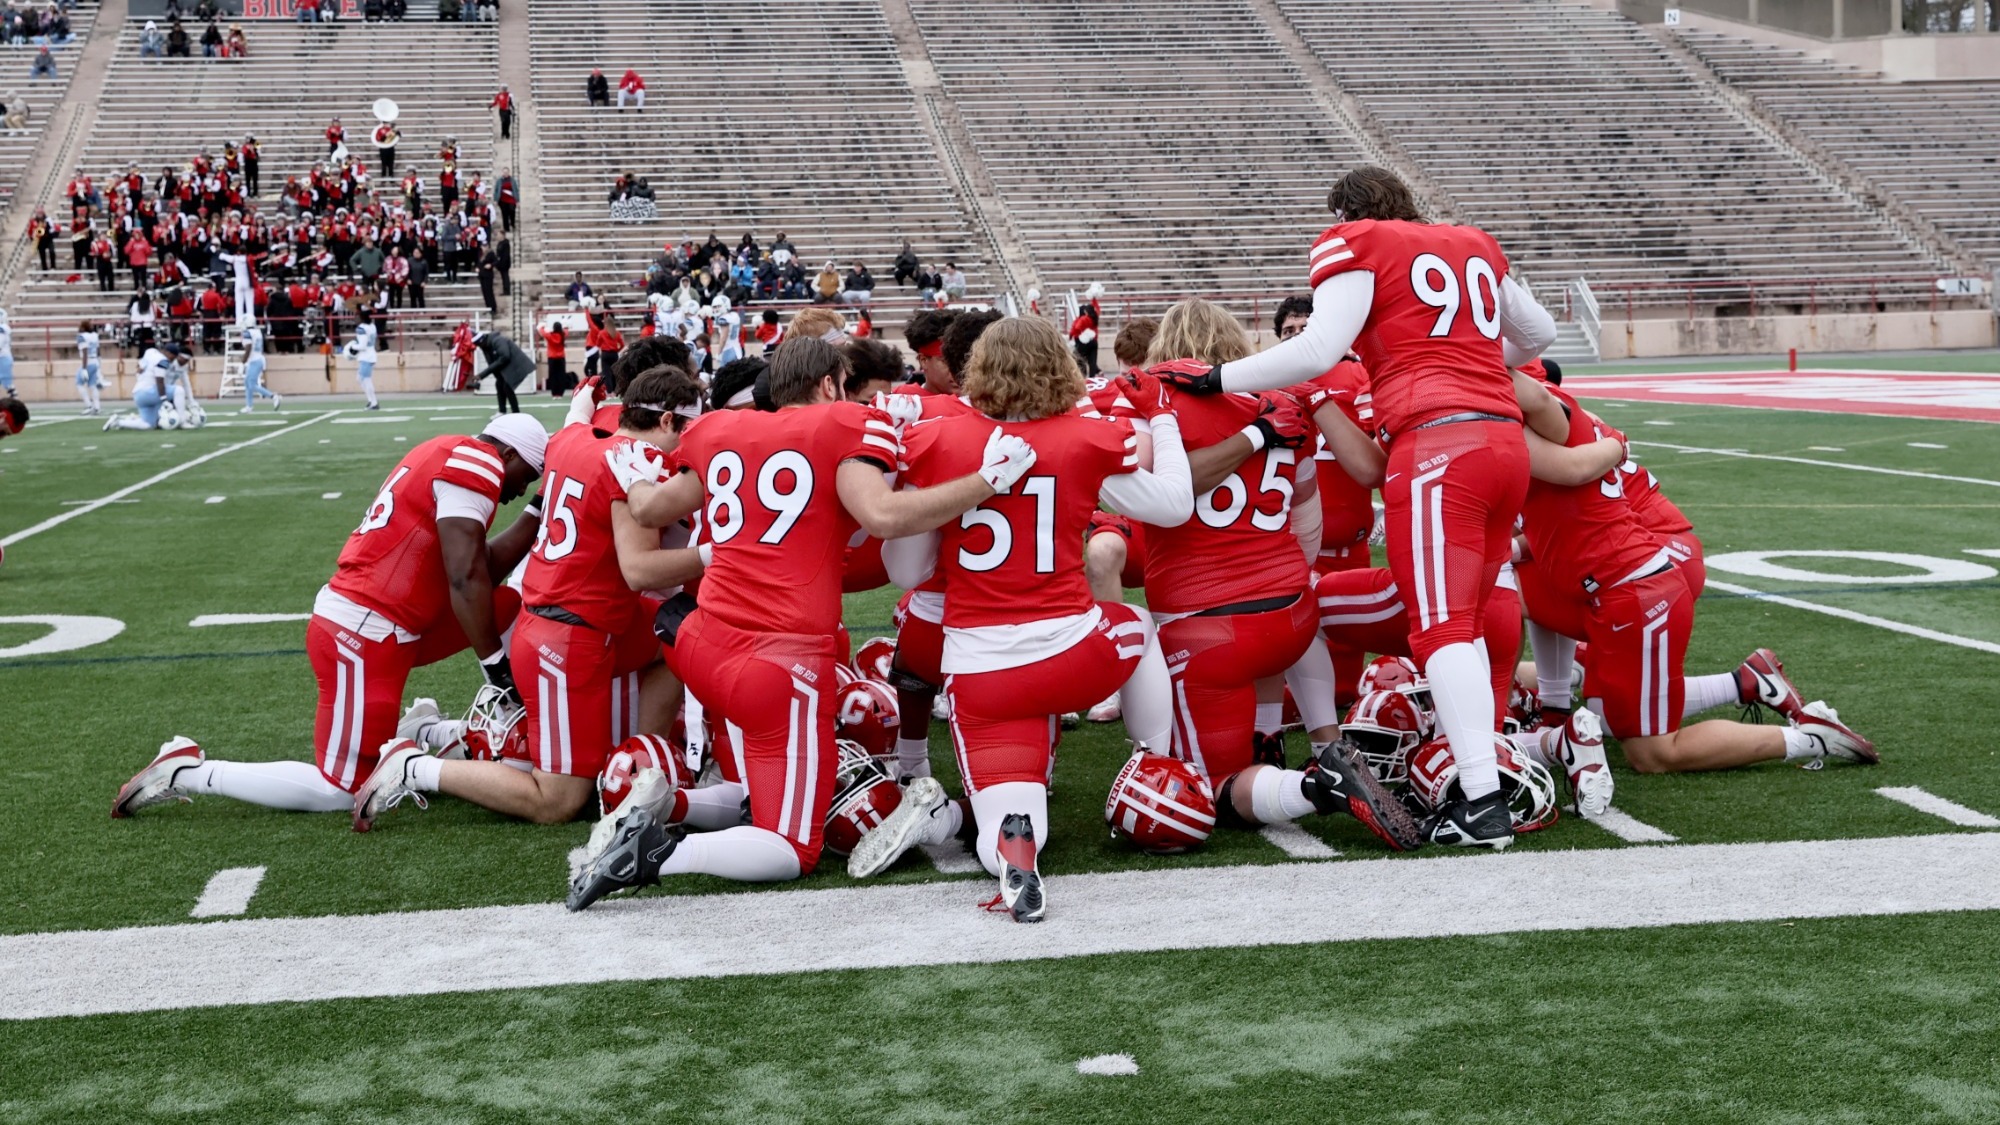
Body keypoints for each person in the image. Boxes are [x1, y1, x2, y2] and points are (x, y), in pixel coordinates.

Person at [1150, 165, 1562, 850]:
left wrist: (1220, 376)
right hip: (1500, 444)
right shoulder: (1469, 242)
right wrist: (1470, 359)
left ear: (1343, 211)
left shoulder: (1358, 241)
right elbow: (1539, 330)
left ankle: (1483, 803)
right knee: (1460, 616)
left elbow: (1317, 345)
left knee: (1442, 630)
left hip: (1440, 446)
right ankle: (1482, 780)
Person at [564, 337, 1037, 911]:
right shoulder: (842, 422)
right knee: (790, 847)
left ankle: (671, 806)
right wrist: (987, 480)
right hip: (780, 665)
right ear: (831, 384)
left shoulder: (718, 430)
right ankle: (657, 852)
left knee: (756, 793)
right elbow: (883, 517)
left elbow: (648, 509)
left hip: (701, 644)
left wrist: (636, 475)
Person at [113, 417, 547, 817]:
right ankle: (184, 770)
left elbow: (483, 570)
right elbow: (466, 575)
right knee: (341, 789)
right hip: (361, 635)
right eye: (526, 478)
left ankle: (424, 732)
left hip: (396, 626)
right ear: (508, 454)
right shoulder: (478, 463)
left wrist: (540, 506)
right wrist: (496, 667)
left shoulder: (444, 449)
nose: (517, 492)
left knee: (508, 604)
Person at [354, 369, 708, 829]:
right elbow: (637, 570)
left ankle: (638, 766)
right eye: (686, 430)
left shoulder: (569, 439)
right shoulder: (637, 460)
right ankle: (414, 767)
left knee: (675, 633)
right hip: (567, 636)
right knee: (558, 802)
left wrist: (583, 397)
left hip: (576, 617)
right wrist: (719, 554)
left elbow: (577, 416)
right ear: (666, 421)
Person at [472, 329, 531, 414]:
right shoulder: (486, 347)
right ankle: (502, 411)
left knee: (507, 387)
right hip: (508, 366)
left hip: (515, 365)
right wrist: (482, 376)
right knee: (499, 384)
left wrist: (482, 375)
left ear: (481, 341)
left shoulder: (498, 341)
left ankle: (516, 413)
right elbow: (492, 364)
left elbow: (505, 356)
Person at [239, 317, 279, 412]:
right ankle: (249, 406)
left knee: (252, 385)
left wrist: (242, 363)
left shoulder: (247, 333)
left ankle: (273, 396)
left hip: (254, 360)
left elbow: (248, 349)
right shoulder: (257, 331)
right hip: (258, 358)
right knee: (248, 383)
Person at [343, 308, 380, 409]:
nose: (355, 318)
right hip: (370, 354)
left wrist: (352, 346)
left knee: (366, 379)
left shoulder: (361, 328)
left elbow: (362, 345)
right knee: (360, 379)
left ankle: (374, 402)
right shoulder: (372, 326)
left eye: (357, 316)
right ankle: (370, 400)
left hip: (366, 356)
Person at [1069, 282, 1102, 375]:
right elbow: (1097, 309)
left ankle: (1083, 377)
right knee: (1092, 361)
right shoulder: (1095, 318)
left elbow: (1075, 328)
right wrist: (1094, 299)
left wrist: (1077, 336)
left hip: (1082, 342)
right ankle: (1094, 377)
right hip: (1094, 341)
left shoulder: (1082, 319)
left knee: (1080, 360)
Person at [74, 320, 103, 415]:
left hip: (88, 362)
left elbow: (85, 352)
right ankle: (97, 406)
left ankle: (89, 405)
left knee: (79, 383)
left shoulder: (82, 337)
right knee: (92, 385)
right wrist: (99, 363)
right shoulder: (95, 335)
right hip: (95, 361)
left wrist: (84, 368)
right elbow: (98, 351)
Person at [538, 319, 569, 396]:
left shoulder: (550, 336)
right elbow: (566, 330)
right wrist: (565, 327)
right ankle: (561, 392)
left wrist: (542, 326)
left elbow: (542, 332)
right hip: (561, 357)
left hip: (552, 358)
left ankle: (554, 392)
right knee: (561, 375)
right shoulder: (563, 335)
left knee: (553, 375)